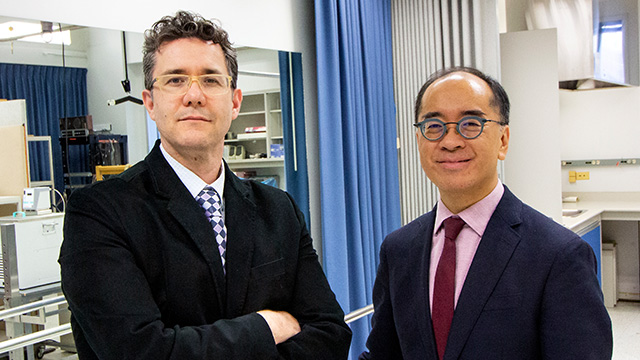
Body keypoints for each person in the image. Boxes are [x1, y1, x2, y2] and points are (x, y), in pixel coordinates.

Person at [59, 11, 351, 359]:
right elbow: (141, 352)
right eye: (175, 80)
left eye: (211, 80)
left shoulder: (279, 210)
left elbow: (331, 333)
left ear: (235, 101)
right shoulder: (100, 213)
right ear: (150, 103)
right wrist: (266, 326)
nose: (194, 95)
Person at [360, 66, 612, 359]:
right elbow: (383, 355)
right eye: (433, 126)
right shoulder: (399, 250)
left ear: (503, 141)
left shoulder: (558, 256)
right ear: (419, 140)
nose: (450, 141)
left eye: (471, 123)